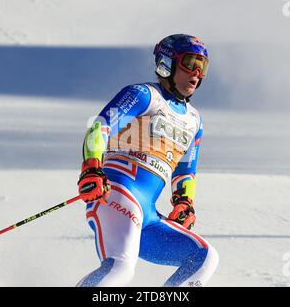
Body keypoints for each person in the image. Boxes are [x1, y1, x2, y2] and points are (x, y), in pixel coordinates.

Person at [75, 34, 219, 287]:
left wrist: (184, 201)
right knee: (120, 269)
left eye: (202, 65)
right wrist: (92, 168)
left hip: (148, 215)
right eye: (189, 62)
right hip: (117, 193)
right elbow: (100, 127)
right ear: (167, 63)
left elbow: (186, 169)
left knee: (204, 257)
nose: (197, 72)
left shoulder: (194, 120)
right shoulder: (143, 95)